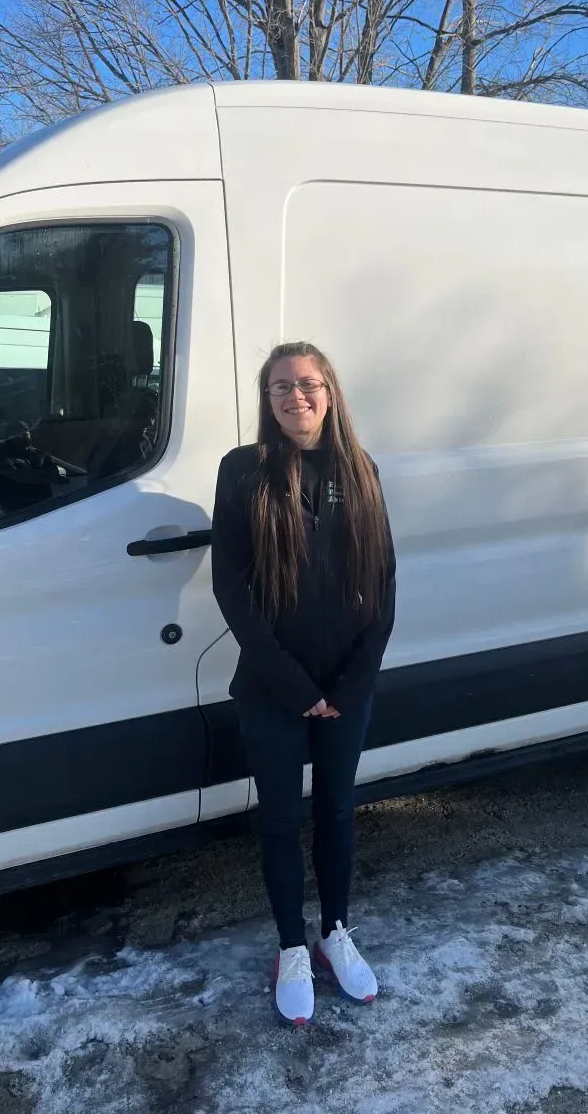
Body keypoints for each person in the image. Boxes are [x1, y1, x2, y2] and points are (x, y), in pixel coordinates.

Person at [210, 341, 396, 1026]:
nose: (296, 396)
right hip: (271, 687)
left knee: (338, 813)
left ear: (330, 392)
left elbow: (384, 583)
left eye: (308, 383)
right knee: (282, 822)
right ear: (267, 400)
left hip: (347, 687)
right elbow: (230, 585)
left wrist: (353, 681)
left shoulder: (360, 468)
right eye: (280, 387)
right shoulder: (244, 471)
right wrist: (292, 685)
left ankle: (335, 933)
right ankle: (292, 944)